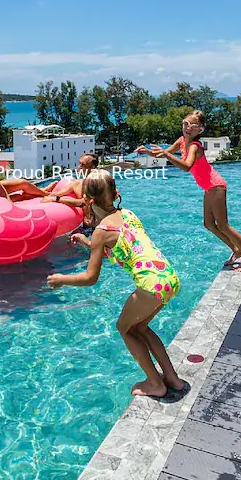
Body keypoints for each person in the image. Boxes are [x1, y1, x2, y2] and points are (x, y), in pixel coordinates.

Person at [47, 169, 187, 399]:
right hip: (168, 278)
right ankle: (172, 378)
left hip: (150, 284)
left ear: (88, 201)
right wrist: (87, 242)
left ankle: (155, 383)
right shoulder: (128, 214)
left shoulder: (101, 231)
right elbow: (123, 247)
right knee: (140, 328)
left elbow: (90, 278)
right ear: (115, 194)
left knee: (124, 328)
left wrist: (62, 279)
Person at [137, 110, 241, 272]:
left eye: (193, 126)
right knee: (208, 224)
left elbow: (187, 166)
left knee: (223, 225)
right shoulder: (181, 140)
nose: (188, 128)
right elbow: (164, 154)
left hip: (216, 185)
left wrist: (166, 154)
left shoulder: (195, 146)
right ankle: (236, 250)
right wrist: (148, 152)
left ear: (200, 130)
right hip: (208, 187)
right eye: (186, 123)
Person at [41, 153, 100, 233]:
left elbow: (82, 202)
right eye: (79, 163)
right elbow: (54, 194)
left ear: (92, 167)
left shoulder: (98, 184)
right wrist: (45, 189)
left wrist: (56, 199)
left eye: (83, 165)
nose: (79, 167)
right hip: (85, 226)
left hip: (98, 227)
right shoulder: (77, 184)